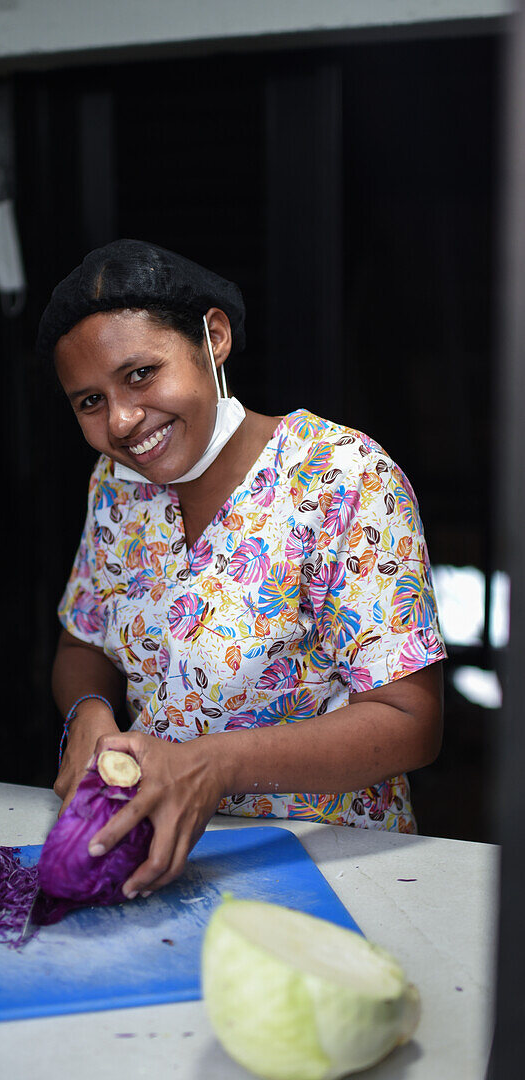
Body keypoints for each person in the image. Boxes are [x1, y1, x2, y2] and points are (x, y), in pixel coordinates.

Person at [37, 239, 445, 902]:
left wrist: (214, 767)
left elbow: (410, 719)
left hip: (335, 869)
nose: (121, 420)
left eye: (140, 373)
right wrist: (87, 712)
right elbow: (81, 641)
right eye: (89, 402)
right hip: (169, 862)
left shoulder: (342, 480)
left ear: (214, 337)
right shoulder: (117, 488)